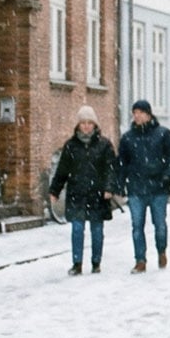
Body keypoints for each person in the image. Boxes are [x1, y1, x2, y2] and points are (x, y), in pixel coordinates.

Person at [48, 106, 118, 275]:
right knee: (77, 229)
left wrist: (109, 188)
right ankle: (77, 263)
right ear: (78, 125)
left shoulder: (104, 145)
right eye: (83, 123)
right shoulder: (71, 146)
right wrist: (54, 191)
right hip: (77, 194)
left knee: (97, 230)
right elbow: (62, 170)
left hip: (97, 194)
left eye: (89, 123)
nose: (86, 126)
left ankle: (96, 262)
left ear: (95, 125)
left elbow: (111, 169)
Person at [116, 99, 170, 273]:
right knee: (137, 225)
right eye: (134, 113)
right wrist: (120, 185)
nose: (137, 116)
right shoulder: (128, 138)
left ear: (149, 114)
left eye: (140, 113)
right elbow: (121, 163)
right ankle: (140, 260)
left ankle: (161, 250)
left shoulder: (163, 134)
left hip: (158, 188)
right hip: (136, 187)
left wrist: (166, 176)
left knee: (159, 224)